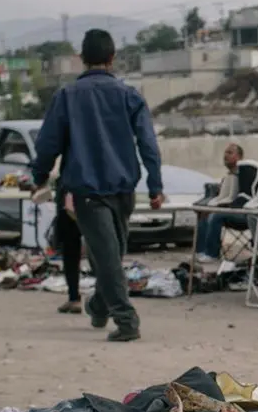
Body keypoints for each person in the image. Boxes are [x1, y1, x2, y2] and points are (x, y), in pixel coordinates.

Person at [32, 28, 163, 343]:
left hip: (87, 191)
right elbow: (148, 143)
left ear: (81, 58)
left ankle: (100, 305)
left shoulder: (67, 97)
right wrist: (155, 185)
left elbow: (48, 143)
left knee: (110, 257)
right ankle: (125, 319)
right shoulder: (130, 95)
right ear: (112, 57)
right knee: (108, 256)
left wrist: (40, 176)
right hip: (123, 189)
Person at [195, 142, 258, 262]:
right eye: (225, 153)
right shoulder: (228, 176)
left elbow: (238, 198)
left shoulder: (245, 173)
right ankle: (201, 252)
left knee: (215, 216)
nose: (225, 156)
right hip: (229, 209)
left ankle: (212, 254)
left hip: (243, 213)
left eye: (230, 153)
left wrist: (216, 207)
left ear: (239, 157)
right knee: (203, 214)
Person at [53, 188, 84, 314]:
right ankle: (106, 299)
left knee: (70, 253)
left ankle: (74, 298)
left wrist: (40, 180)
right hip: (103, 198)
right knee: (104, 253)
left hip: (71, 202)